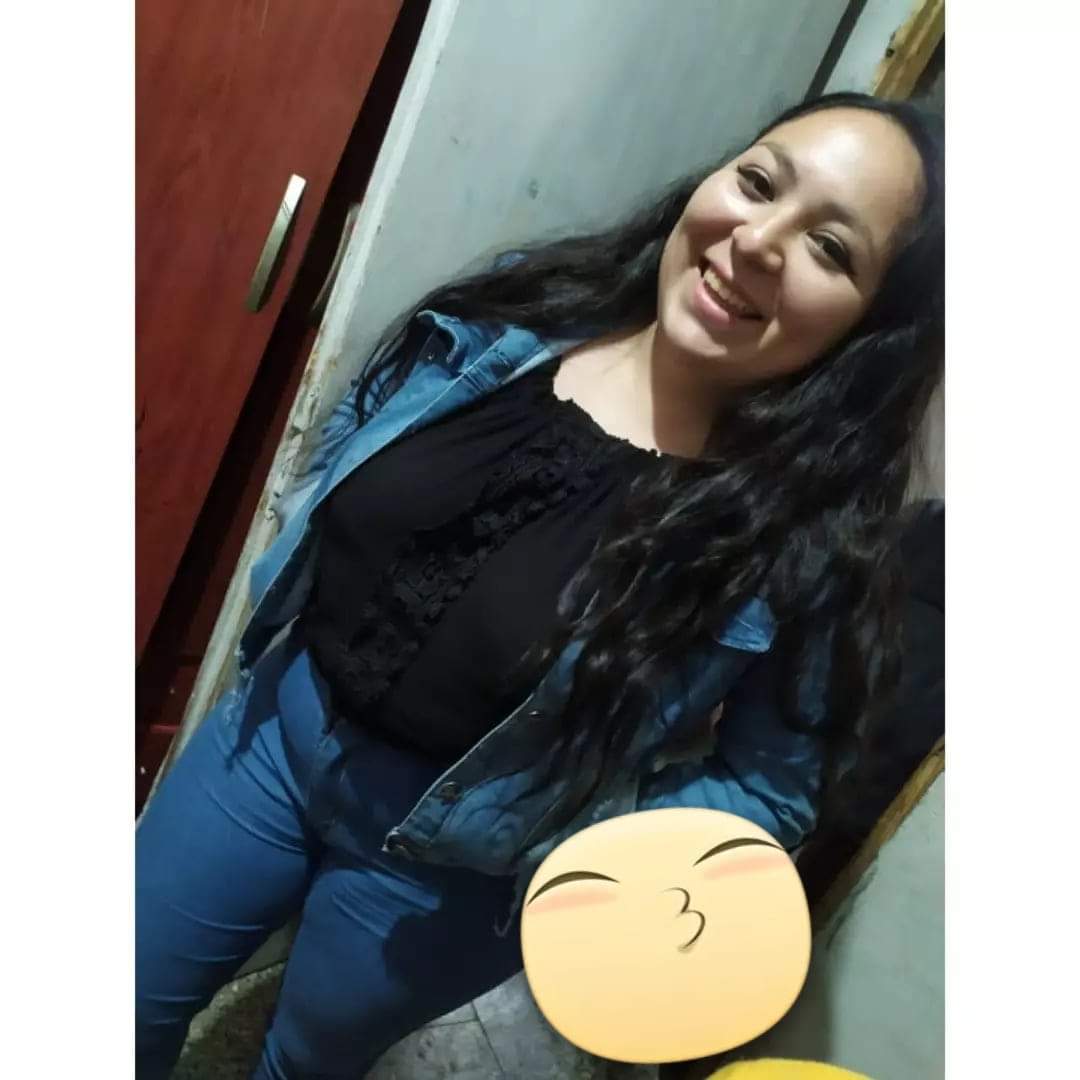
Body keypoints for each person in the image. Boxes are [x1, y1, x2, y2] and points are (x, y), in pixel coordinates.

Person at [136, 90, 944, 1079]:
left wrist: (578, 838)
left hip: (445, 878)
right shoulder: (524, 314)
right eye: (759, 182)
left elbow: (769, 790)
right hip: (269, 736)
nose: (758, 241)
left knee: (300, 1069)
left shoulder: (808, 540)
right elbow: (351, 436)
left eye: (830, 248)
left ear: (875, 326)